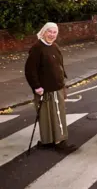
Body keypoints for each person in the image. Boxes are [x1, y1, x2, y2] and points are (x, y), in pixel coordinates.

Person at [24, 22, 76, 153]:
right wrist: (36, 87)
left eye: (54, 32)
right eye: (49, 32)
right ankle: (54, 142)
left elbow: (59, 65)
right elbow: (30, 70)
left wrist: (62, 81)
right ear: (43, 32)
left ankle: (57, 140)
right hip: (44, 89)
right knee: (46, 116)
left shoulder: (54, 46)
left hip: (56, 87)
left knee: (58, 115)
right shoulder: (37, 48)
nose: (52, 35)